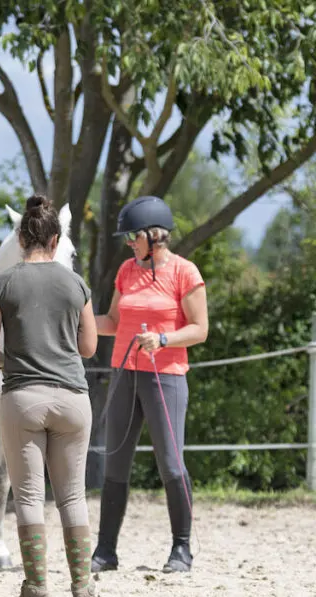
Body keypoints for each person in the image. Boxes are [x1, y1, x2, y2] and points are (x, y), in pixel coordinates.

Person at [0, 195, 99, 597]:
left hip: (22, 398)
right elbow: (88, 348)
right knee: (73, 496)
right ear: (56, 238)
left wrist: (12, 362)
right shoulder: (76, 283)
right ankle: (82, 585)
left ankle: (37, 585)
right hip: (73, 400)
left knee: (28, 494)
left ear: (21, 238)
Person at [90, 195, 208, 574]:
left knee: (171, 465)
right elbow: (111, 320)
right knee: (115, 462)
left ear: (153, 236)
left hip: (166, 377)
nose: (128, 243)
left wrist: (163, 339)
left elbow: (200, 329)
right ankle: (105, 551)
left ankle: (182, 548)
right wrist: (77, 323)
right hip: (124, 374)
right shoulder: (127, 271)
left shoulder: (185, 272)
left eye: (132, 237)